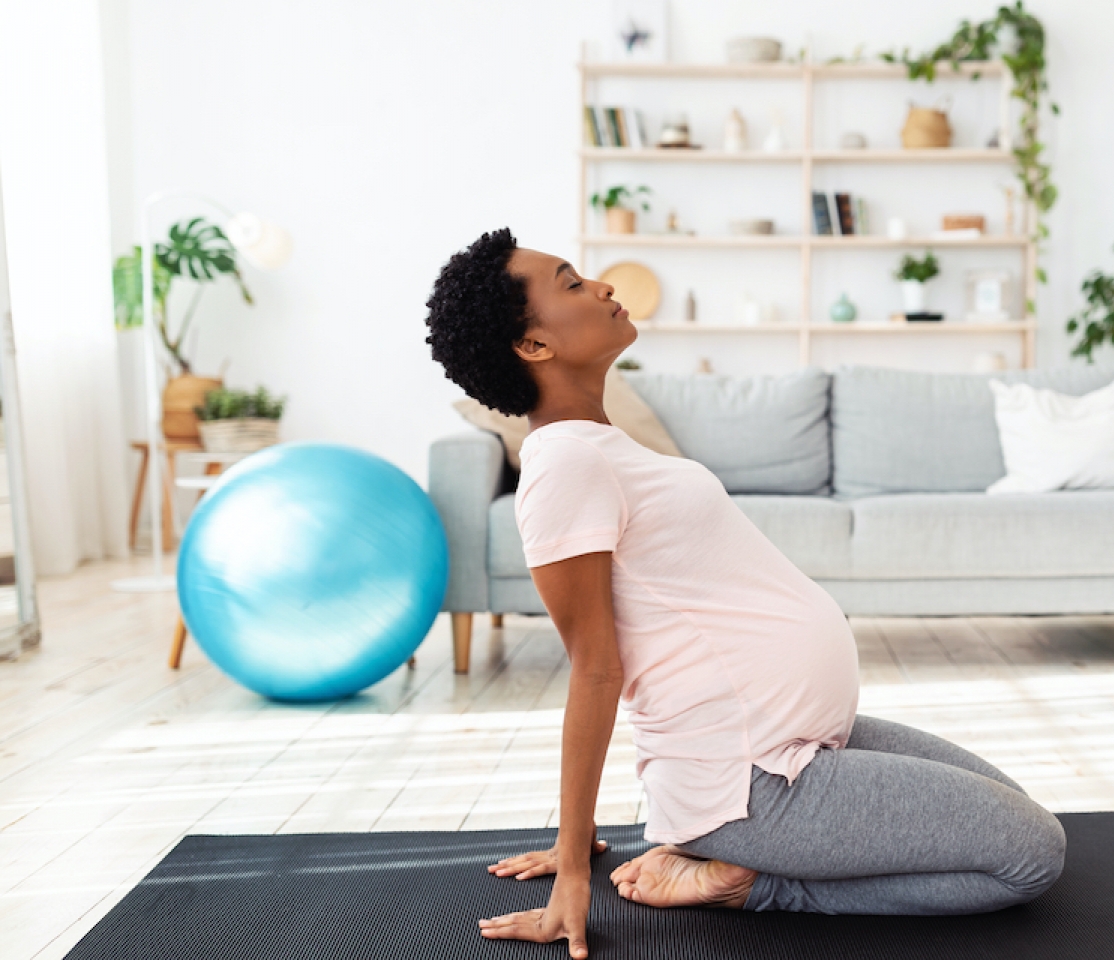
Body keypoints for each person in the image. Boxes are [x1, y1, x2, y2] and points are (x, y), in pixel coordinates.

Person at [424, 229, 1066, 959]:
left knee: (1023, 813)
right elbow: (596, 669)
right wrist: (572, 868)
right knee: (1031, 856)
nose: (602, 286)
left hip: (794, 745)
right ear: (534, 347)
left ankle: (703, 843)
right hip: (754, 784)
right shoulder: (564, 466)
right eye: (572, 284)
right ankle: (751, 883)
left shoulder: (601, 446)